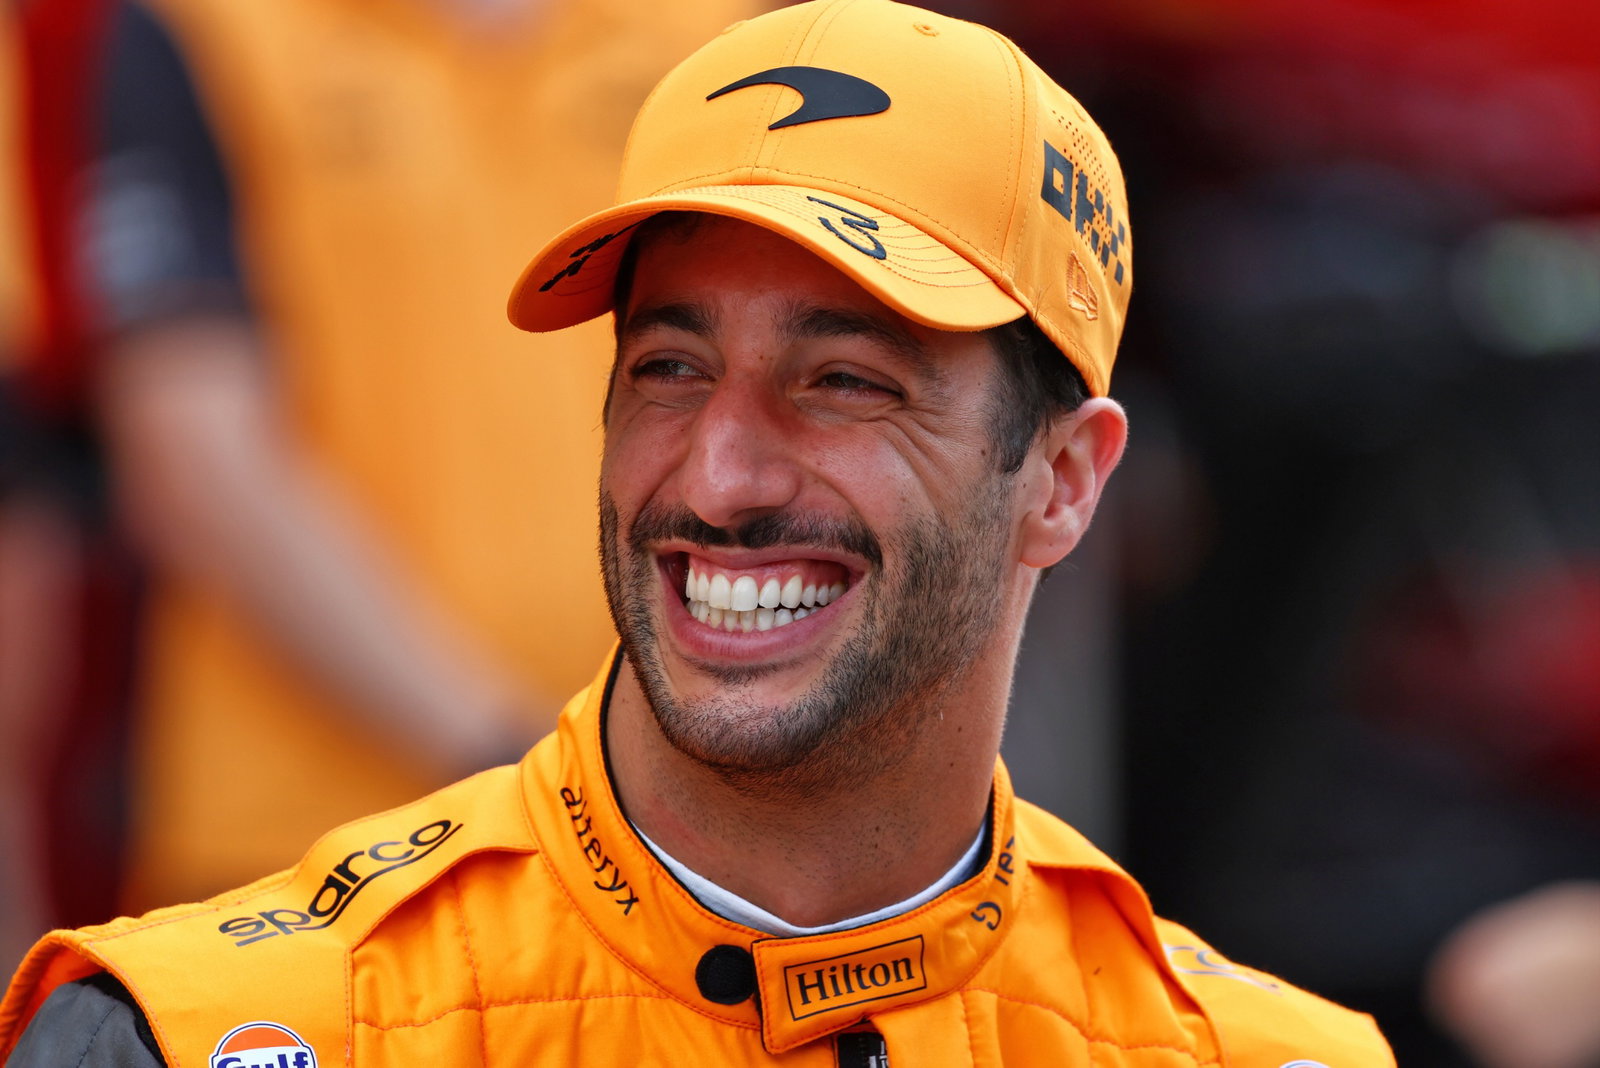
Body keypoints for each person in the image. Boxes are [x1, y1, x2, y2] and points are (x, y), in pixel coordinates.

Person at [0, 1, 1395, 1063]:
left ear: (1066, 482)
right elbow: (185, 445)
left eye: (845, 380)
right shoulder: (191, 1034)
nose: (719, 476)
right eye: (666, 366)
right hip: (271, 850)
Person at [47, 0, 755, 915]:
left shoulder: (715, 32)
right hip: (304, 862)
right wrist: (519, 757)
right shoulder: (209, 29)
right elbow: (192, 462)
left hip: (674, 845)